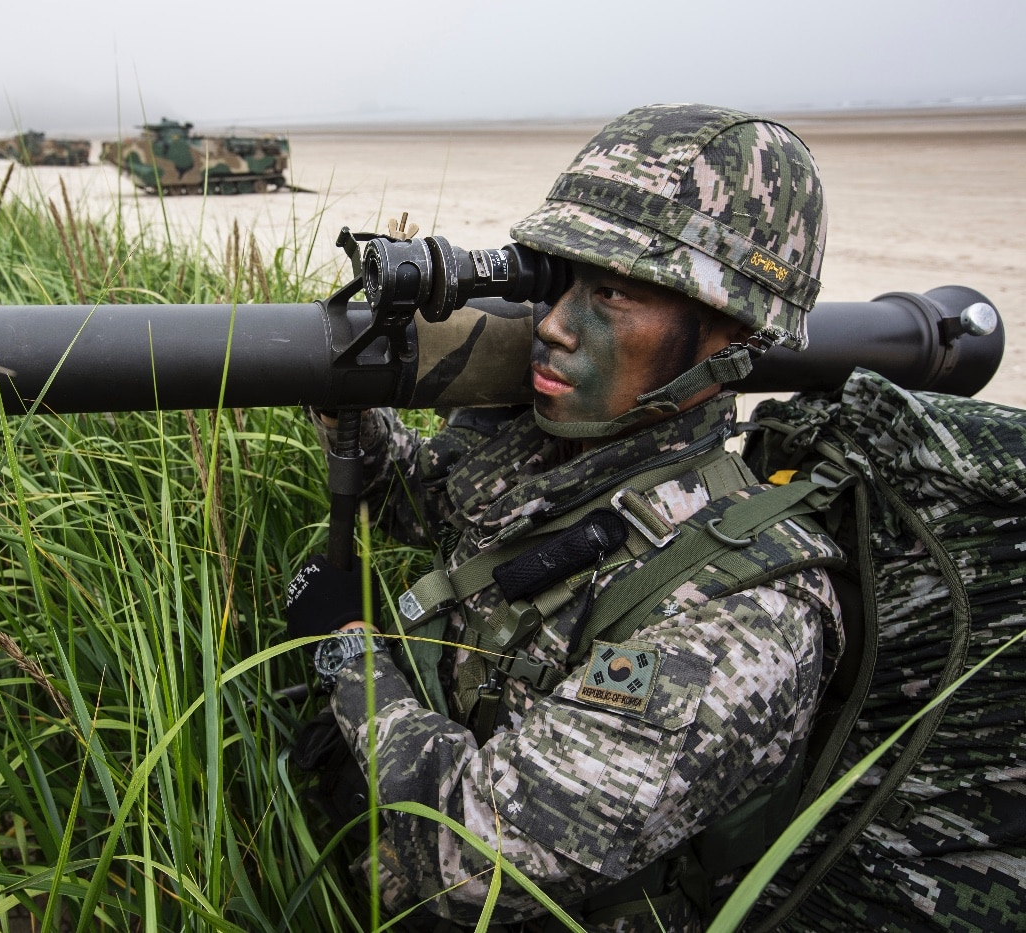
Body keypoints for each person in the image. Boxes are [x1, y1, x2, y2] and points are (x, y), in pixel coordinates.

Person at [285, 103, 844, 931]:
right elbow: (422, 499)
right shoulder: (563, 448)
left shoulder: (741, 619)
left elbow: (469, 858)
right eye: (561, 281)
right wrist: (345, 400)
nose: (551, 324)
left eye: (610, 294)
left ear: (729, 326)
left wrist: (350, 655)